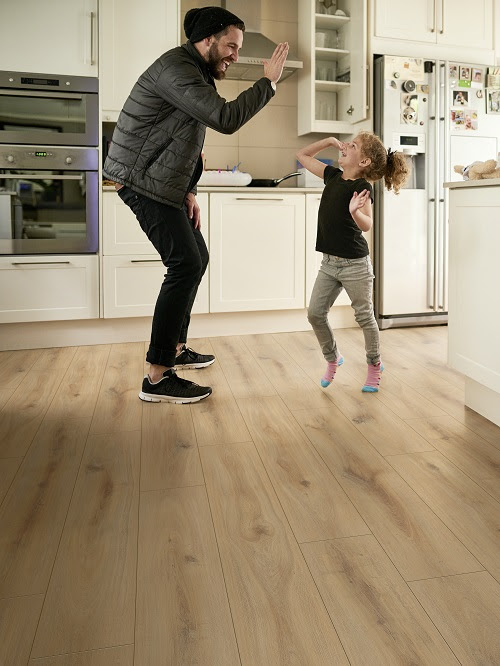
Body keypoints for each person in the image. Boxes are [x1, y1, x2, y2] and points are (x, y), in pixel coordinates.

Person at [103, 7, 289, 404]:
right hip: (140, 180)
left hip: (161, 182)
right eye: (231, 46)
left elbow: (188, 142)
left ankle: (174, 348)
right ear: (207, 39)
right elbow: (223, 118)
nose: (235, 55)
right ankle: (157, 376)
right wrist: (267, 83)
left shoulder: (195, 71)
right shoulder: (177, 68)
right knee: (185, 262)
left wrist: (190, 191)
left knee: (196, 257)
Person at [296, 132, 410, 392]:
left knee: (364, 317)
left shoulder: (362, 188)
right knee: (315, 313)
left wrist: (355, 211)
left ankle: (374, 365)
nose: (346, 146)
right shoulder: (332, 176)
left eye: (353, 146)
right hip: (329, 264)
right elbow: (302, 156)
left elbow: (367, 225)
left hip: (355, 265)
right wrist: (328, 141)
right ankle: (333, 357)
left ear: (364, 162)